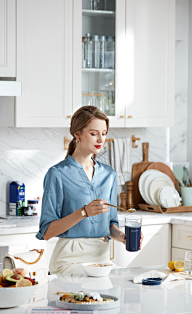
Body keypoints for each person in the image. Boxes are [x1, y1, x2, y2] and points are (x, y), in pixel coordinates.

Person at [36, 106, 143, 274]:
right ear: (77, 134)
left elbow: (110, 224)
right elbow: (47, 232)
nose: (101, 139)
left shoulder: (109, 174)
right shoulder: (57, 174)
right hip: (68, 260)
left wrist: (122, 236)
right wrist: (84, 212)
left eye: (104, 133)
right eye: (94, 134)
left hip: (101, 260)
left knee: (130, 284)